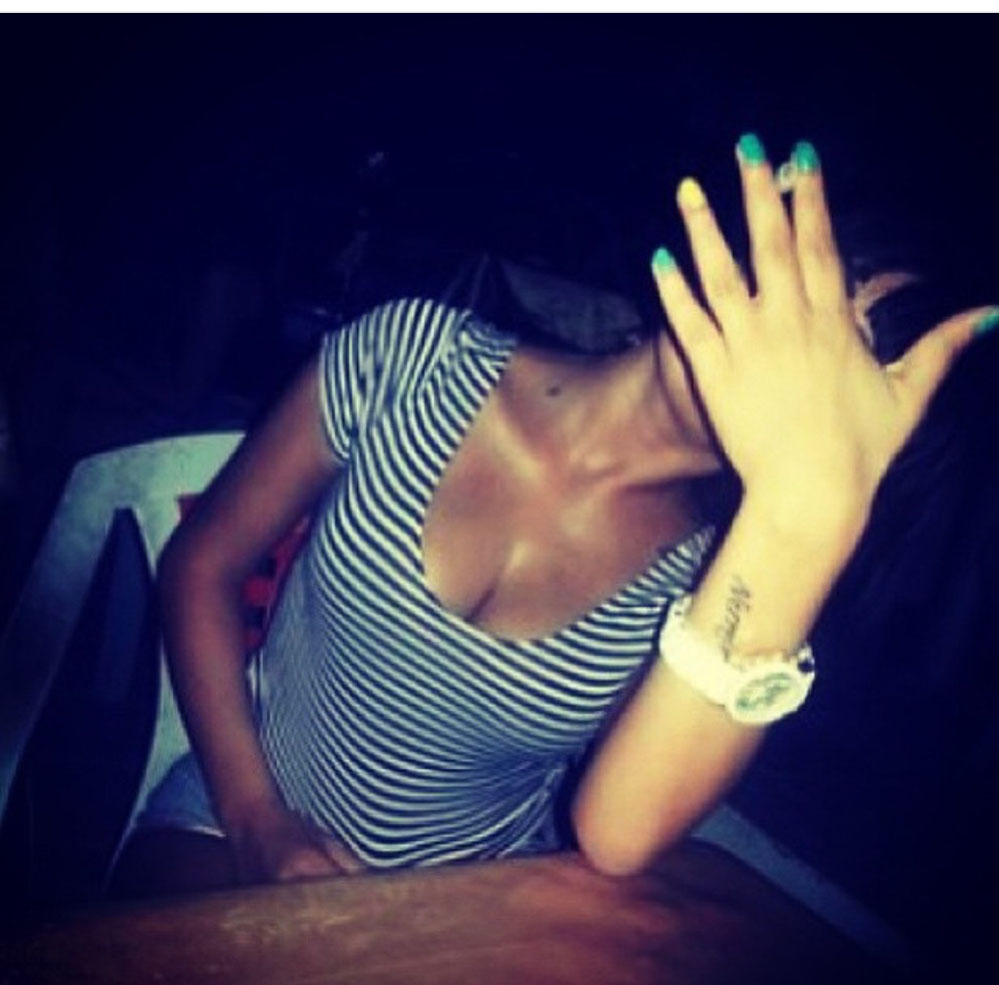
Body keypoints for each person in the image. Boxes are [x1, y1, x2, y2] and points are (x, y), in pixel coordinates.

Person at [110, 134, 997, 897]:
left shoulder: (717, 583)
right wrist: (257, 819)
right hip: (234, 809)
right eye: (815, 289)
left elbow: (616, 836)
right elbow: (202, 563)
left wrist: (800, 518)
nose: (785, 349)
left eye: (843, 361)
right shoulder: (414, 356)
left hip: (472, 903)